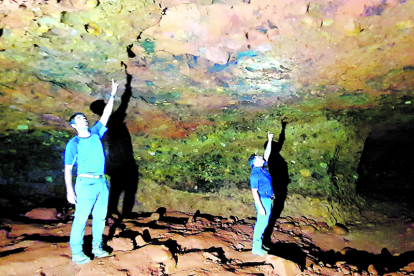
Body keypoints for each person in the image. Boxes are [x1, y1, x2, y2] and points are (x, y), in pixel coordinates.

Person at [64, 79, 119, 264]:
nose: (84, 119)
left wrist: (113, 94)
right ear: (73, 125)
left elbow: (106, 114)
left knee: (100, 217)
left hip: (101, 182)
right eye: (79, 119)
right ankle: (77, 253)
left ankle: (97, 247)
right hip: (85, 183)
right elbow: (68, 168)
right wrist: (70, 191)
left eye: (84, 117)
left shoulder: (96, 133)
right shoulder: (74, 144)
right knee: (80, 218)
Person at [248, 131, 274, 256]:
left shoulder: (261, 168)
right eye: (257, 157)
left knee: (265, 223)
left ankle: (260, 244)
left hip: (268, 199)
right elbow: (254, 192)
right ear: (254, 162)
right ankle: (256, 248)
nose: (260, 157)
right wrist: (261, 207)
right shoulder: (255, 175)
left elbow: (267, 154)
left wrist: (269, 140)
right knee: (261, 223)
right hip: (263, 200)